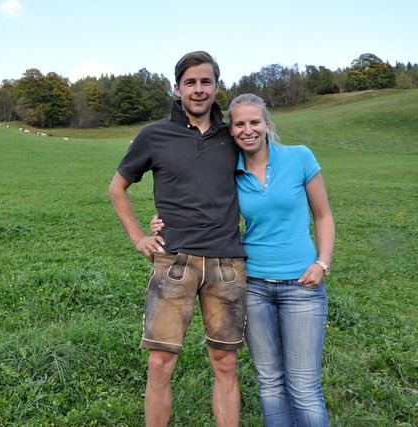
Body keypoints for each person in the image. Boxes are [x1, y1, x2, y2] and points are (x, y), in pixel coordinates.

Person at [151, 93, 335, 426]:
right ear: (231, 129)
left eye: (254, 122)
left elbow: (323, 216)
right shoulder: (230, 171)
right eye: (239, 124)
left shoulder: (300, 157)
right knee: (270, 382)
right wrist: (163, 223)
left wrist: (322, 263)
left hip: (302, 284)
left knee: (304, 386)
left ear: (267, 124)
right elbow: (200, 204)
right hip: (252, 285)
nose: (247, 130)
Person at [109, 51, 247, 427]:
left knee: (226, 362)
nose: (198, 89)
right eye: (190, 82)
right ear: (177, 88)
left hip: (226, 264)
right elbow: (117, 188)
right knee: (160, 362)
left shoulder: (232, 136)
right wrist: (139, 237)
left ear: (216, 86)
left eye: (206, 82)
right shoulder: (154, 135)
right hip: (174, 262)